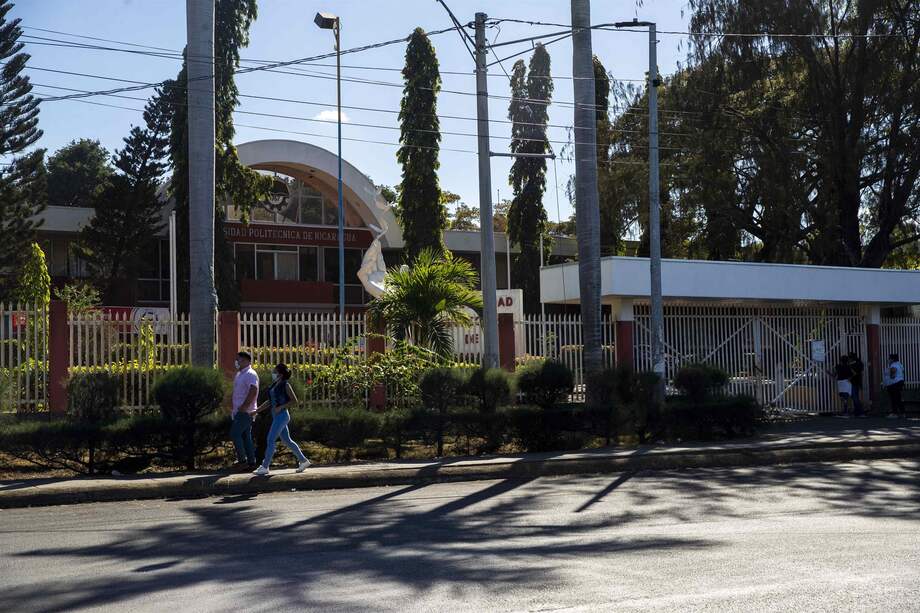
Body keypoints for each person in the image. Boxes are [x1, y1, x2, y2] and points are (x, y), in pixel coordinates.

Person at [253, 363, 311, 476]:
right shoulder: (275, 385)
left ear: (280, 374)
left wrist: (281, 407)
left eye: (275, 371)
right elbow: (270, 402)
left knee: (270, 439)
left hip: (282, 416)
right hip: (277, 416)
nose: (273, 373)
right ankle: (304, 461)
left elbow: (294, 401)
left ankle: (265, 466)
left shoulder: (285, 385)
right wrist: (257, 410)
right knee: (287, 441)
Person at [230, 351, 259, 470]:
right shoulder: (240, 374)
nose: (237, 362)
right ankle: (251, 462)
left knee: (235, 434)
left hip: (245, 412)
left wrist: (244, 407)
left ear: (247, 360)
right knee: (246, 436)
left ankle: (243, 461)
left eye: (239, 359)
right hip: (239, 411)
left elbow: (253, 390)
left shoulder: (250, 374)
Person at [883, 353, 905, 419]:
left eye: (889, 358)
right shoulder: (899, 364)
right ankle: (902, 413)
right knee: (898, 398)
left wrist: (892, 376)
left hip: (894, 384)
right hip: (898, 383)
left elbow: (893, 371)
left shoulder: (893, 365)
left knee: (894, 399)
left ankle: (894, 413)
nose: (888, 360)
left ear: (892, 359)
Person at [847, 352, 865, 416]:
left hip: (853, 382)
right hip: (858, 381)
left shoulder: (852, 365)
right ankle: (857, 411)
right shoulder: (860, 363)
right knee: (855, 397)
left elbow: (854, 373)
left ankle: (860, 411)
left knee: (855, 397)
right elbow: (861, 373)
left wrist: (849, 378)